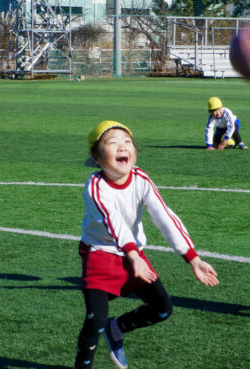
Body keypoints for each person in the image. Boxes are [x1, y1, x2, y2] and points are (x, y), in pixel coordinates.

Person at [76, 120, 219, 369]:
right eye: (112, 143)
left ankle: (116, 328)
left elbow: (164, 216)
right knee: (95, 319)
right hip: (99, 253)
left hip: (134, 254)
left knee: (162, 308)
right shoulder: (95, 186)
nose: (122, 146)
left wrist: (193, 258)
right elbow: (113, 222)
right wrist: (133, 257)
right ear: (97, 158)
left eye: (127, 142)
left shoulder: (140, 178)